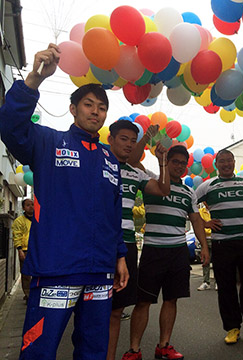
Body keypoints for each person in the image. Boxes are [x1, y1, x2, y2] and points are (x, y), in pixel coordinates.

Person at [0, 44, 128, 359]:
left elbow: (114, 215)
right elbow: (10, 128)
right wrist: (33, 81)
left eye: (101, 107)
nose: (95, 111)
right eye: (88, 104)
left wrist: (120, 256)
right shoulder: (48, 142)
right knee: (38, 352)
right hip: (57, 271)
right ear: (73, 109)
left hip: (100, 274)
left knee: (94, 351)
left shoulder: (111, 160)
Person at [121, 145, 210, 360]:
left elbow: (196, 220)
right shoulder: (152, 180)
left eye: (183, 163)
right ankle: (134, 349)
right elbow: (132, 162)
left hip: (178, 252)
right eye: (175, 161)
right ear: (167, 162)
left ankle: (164, 346)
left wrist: (205, 246)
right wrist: (149, 144)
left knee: (171, 300)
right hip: (153, 250)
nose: (179, 166)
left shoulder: (189, 192)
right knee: (143, 302)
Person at [195, 149, 243, 344]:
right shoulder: (207, 186)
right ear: (216, 164)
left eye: (229, 161)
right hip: (222, 244)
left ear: (234, 162)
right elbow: (188, 207)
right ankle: (232, 328)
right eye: (221, 161)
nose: (226, 164)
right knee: (226, 287)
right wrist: (205, 223)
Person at [106, 120, 171, 360]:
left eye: (133, 141)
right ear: (110, 140)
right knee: (90, 310)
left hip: (127, 246)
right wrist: (146, 139)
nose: (129, 145)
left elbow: (164, 189)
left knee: (116, 311)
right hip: (97, 245)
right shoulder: (96, 162)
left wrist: (162, 161)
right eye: (123, 139)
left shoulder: (136, 173)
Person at [12, 198, 34, 301]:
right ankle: (28, 294)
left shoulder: (39, 219)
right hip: (25, 250)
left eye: (32, 204)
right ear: (23, 208)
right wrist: (19, 250)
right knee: (25, 274)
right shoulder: (19, 221)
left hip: (37, 249)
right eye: (28, 205)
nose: (31, 207)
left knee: (37, 271)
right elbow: (17, 236)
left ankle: (36, 293)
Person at [197, 203, 218, 291]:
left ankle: (218, 282)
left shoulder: (216, 210)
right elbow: (199, 224)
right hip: (205, 238)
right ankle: (206, 282)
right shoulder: (201, 211)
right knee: (205, 261)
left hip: (216, 237)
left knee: (218, 261)